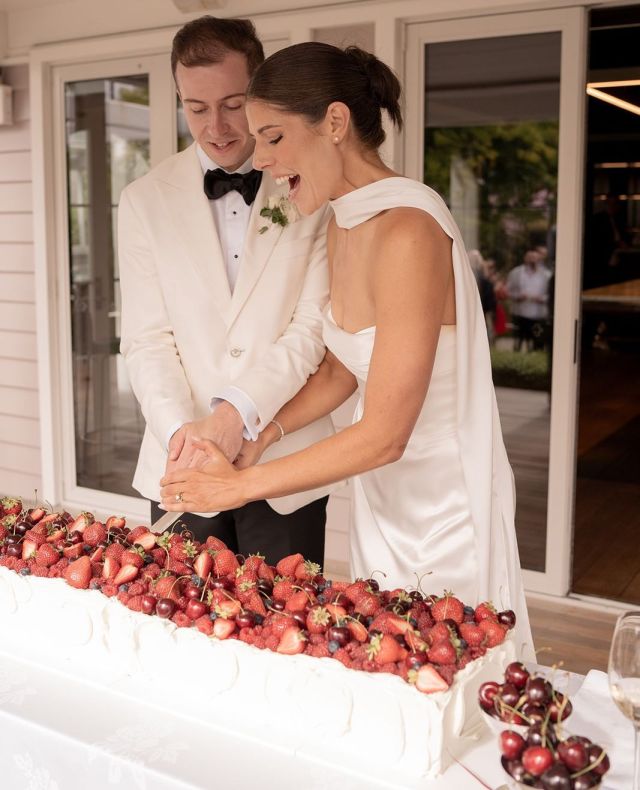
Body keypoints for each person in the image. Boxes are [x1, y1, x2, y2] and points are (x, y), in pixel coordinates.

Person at [159, 41, 534, 658]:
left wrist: (236, 489)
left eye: (274, 138)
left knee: (452, 669)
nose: (266, 160)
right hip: (383, 498)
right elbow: (341, 365)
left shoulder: (410, 229)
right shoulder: (343, 217)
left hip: (446, 505)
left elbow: (387, 433)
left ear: (334, 123)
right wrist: (262, 436)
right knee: (387, 659)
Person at [118, 18, 338, 565]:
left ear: (260, 91)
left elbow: (312, 328)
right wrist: (185, 437)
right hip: (180, 463)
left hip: (284, 465)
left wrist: (236, 416)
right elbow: (147, 339)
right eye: (196, 108)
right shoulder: (143, 200)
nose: (215, 126)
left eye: (234, 104)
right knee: (183, 626)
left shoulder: (310, 186)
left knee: (287, 628)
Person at [506, 249, 551, 352]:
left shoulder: (546, 275)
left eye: (535, 258)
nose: (532, 260)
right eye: (530, 258)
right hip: (520, 314)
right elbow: (508, 291)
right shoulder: (516, 273)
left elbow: (552, 295)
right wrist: (517, 296)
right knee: (519, 342)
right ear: (525, 259)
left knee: (537, 342)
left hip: (538, 315)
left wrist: (542, 299)